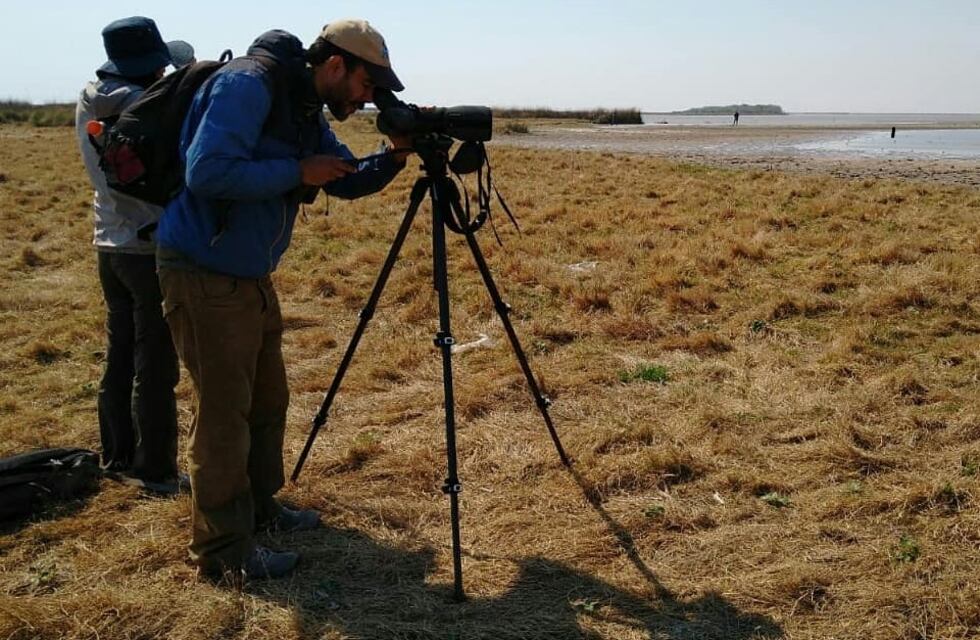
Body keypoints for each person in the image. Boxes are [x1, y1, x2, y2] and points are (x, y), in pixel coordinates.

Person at [155, 20, 412, 580]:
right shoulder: (248, 86)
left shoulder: (303, 109)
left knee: (267, 401)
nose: (369, 98)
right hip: (203, 271)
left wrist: (394, 157)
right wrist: (297, 171)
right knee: (224, 415)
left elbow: (340, 178)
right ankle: (223, 554)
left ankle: (260, 509)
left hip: (248, 275)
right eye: (368, 84)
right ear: (337, 65)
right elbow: (206, 171)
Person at [75, 16, 185, 496]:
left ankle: (117, 454)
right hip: (145, 247)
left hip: (109, 242)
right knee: (155, 361)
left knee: (120, 353)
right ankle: (156, 470)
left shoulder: (89, 96)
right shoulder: (146, 104)